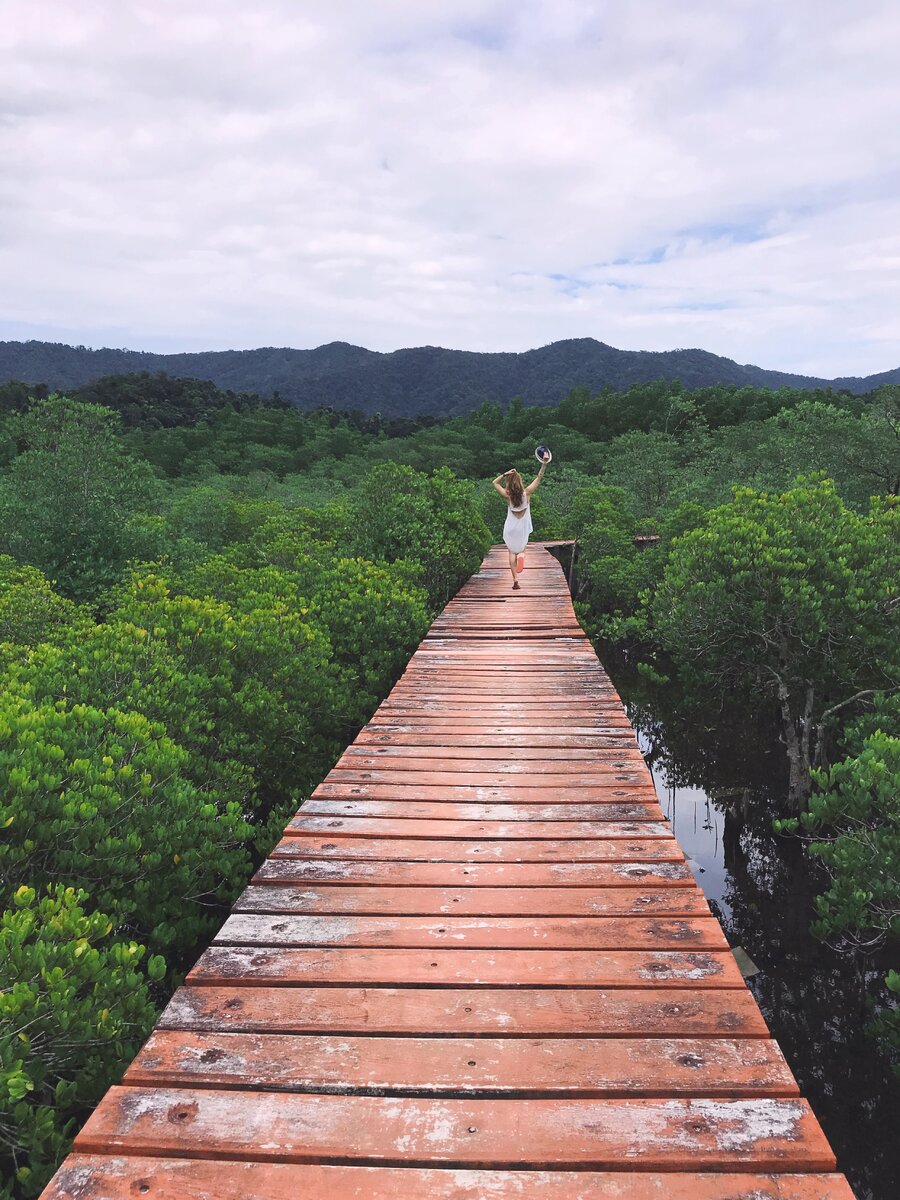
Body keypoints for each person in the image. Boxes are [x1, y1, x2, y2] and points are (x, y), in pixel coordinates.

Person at [492, 454, 548, 589]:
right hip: (522, 527)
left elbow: (494, 483)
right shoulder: (527, 493)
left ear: (509, 483)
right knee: (522, 549)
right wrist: (544, 463)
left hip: (510, 527)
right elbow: (539, 478)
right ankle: (521, 555)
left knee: (511, 552)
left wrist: (505, 474)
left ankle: (515, 580)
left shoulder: (507, 496)